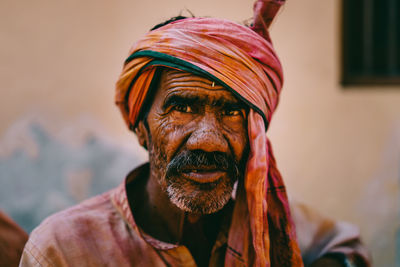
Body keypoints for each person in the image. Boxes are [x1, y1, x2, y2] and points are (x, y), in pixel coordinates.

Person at [20, 0, 370, 266]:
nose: (208, 139)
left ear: (255, 134)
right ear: (141, 127)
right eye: (182, 108)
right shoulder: (64, 249)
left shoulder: (276, 222)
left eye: (232, 111)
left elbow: (347, 247)